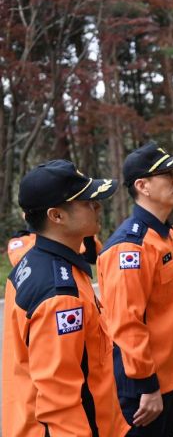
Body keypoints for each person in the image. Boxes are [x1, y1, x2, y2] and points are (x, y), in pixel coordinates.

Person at [1, 159, 129, 437]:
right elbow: (60, 403)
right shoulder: (60, 294)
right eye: (87, 202)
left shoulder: (36, 261)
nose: (98, 207)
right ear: (56, 216)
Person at [96, 142, 173, 436]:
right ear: (142, 186)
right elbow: (126, 323)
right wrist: (146, 385)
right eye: (167, 174)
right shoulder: (129, 248)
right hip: (141, 389)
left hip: (167, 378)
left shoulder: (166, 233)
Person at [7, 228, 102, 267]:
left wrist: (87, 234)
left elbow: (93, 257)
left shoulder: (64, 232)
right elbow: (19, 261)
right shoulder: (19, 239)